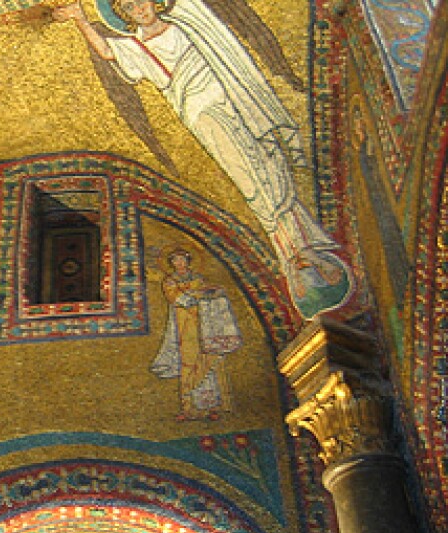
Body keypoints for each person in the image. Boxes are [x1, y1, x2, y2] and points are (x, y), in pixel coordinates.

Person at [53, 0, 351, 319]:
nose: (139, 8)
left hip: (230, 94)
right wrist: (81, 19)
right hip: (200, 110)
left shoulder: (187, 20)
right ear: (123, 15)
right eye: (129, 5)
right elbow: (109, 52)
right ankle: (292, 251)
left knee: (270, 159)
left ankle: (305, 246)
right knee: (248, 174)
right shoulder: (135, 46)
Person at [150, 248, 241, 421]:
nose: (180, 263)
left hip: (204, 323)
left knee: (208, 357)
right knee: (189, 360)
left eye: (182, 259)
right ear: (172, 263)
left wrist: (209, 292)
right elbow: (175, 297)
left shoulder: (198, 278)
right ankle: (190, 408)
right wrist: (193, 296)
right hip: (184, 325)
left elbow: (205, 293)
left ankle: (215, 406)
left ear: (188, 261)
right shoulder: (170, 281)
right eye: (176, 260)